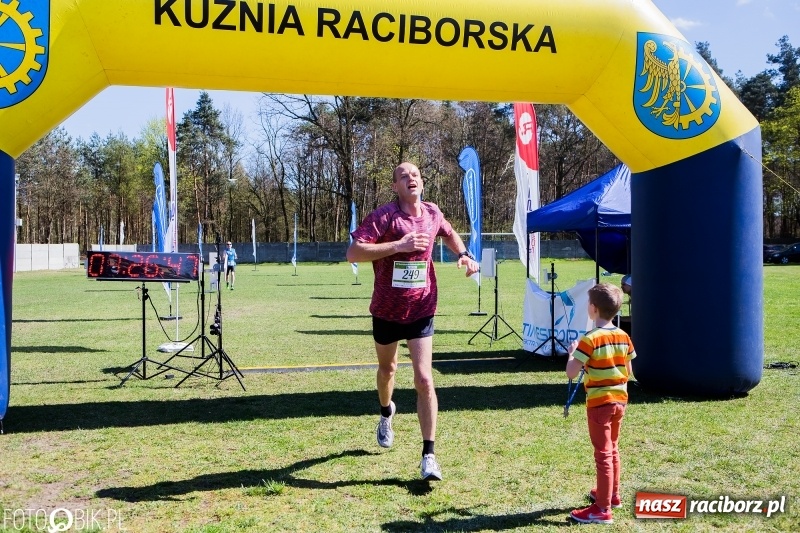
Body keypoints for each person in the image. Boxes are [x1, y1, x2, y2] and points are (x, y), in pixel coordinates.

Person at [346, 162, 479, 481]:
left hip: (422, 306)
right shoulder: (385, 216)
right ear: (395, 186)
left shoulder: (433, 212)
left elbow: (448, 233)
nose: (411, 179)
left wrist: (463, 253)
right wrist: (399, 246)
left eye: (415, 175)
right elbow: (354, 252)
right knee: (388, 370)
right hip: (386, 310)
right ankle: (385, 412)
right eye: (404, 176)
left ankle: (429, 455)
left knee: (424, 379)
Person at [565, 283, 636, 525]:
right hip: (620, 400)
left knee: (603, 454)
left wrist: (573, 354)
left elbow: (571, 373)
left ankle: (602, 509)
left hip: (599, 403)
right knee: (613, 449)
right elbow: (629, 369)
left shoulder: (589, 339)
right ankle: (612, 495)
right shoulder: (624, 336)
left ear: (593, 309)